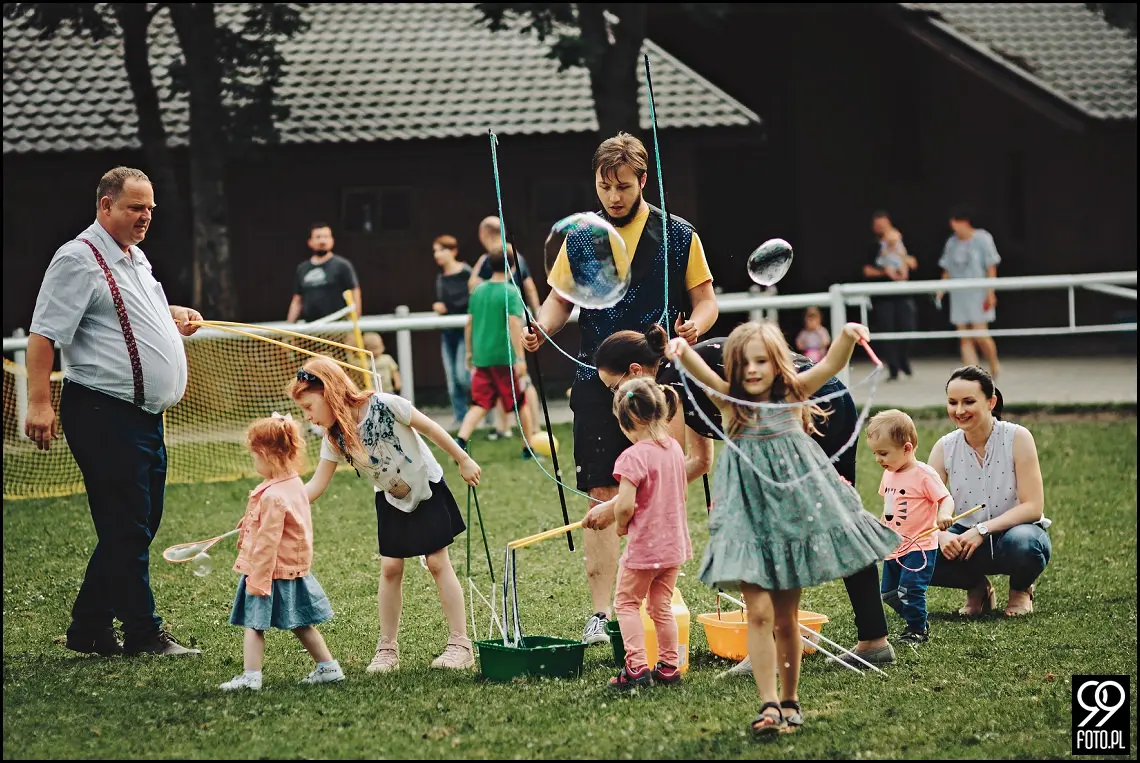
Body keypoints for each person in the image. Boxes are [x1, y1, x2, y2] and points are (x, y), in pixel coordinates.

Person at [592, 325, 899, 671]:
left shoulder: (668, 384)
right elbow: (698, 461)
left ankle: (772, 641)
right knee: (840, 519)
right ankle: (870, 639)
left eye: (615, 388)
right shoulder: (680, 381)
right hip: (829, 401)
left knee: (787, 527)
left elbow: (664, 465)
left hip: (808, 409)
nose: (617, 397)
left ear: (635, 372)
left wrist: (615, 506)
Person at [522, 131, 719, 645]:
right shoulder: (581, 238)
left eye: (623, 187)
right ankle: (601, 612)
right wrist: (540, 328)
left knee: (664, 485)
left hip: (657, 380)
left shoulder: (679, 235)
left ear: (643, 181)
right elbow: (558, 302)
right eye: (604, 185)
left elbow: (706, 301)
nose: (613, 196)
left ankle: (665, 597)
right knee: (601, 494)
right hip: (593, 377)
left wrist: (695, 325)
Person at [664, 321, 899, 736]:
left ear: (778, 365)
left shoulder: (793, 396)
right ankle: (769, 705)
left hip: (789, 518)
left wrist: (846, 337)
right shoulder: (729, 403)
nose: (753, 370)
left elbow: (829, 365)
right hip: (748, 521)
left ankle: (790, 701)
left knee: (786, 618)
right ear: (733, 367)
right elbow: (698, 370)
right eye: (744, 362)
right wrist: (680, 349)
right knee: (758, 612)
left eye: (762, 361)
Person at [26, 166, 202, 657]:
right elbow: (44, 335)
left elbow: (133, 312)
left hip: (144, 416)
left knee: (139, 524)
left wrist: (175, 316)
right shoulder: (77, 260)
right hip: (104, 412)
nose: (145, 217)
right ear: (105, 206)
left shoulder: (135, 258)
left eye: (149, 208)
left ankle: (88, 628)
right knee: (127, 525)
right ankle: (144, 633)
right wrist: (41, 403)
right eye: (134, 208)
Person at [289, 357, 483, 672]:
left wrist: (463, 459)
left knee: (437, 562)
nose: (308, 417)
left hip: (427, 487)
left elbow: (431, 428)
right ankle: (387, 649)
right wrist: (281, 501)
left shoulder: (384, 404)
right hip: (390, 498)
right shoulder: (335, 438)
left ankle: (460, 644)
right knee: (391, 568)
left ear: (329, 392)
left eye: (309, 406)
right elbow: (316, 485)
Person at [220, 414, 343, 691]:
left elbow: (267, 544)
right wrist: (250, 519)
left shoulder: (273, 495)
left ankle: (251, 677)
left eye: (254, 456)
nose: (254, 462)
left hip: (269, 572)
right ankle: (328, 667)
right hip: (291, 568)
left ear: (266, 455)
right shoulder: (294, 483)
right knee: (301, 622)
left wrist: (257, 580)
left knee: (253, 624)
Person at [584, 378, 692, 691]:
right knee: (660, 607)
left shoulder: (632, 458)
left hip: (645, 549)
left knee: (627, 604)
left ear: (628, 420)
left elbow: (626, 504)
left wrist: (618, 526)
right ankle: (670, 666)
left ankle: (636, 667)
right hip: (673, 547)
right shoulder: (673, 448)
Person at [927, 365, 1050, 617]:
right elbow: (924, 507)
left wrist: (982, 530)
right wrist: (941, 538)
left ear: (991, 401)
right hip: (964, 538)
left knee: (1024, 545)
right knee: (914, 554)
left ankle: (1020, 589)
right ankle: (978, 588)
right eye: (952, 402)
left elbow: (1033, 506)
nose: (959, 411)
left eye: (969, 401)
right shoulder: (944, 447)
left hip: (1013, 533)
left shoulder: (1018, 437)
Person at [867, 409, 955, 645]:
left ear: (907, 448)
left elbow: (945, 498)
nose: (878, 459)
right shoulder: (889, 474)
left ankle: (916, 630)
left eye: (883, 453)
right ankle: (919, 618)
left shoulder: (924, 474)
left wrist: (944, 514)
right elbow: (889, 508)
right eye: (875, 453)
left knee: (910, 589)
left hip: (920, 546)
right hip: (894, 546)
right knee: (888, 593)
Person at [454, 250, 535, 459]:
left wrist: (469, 352)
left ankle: (460, 441)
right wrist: (520, 358)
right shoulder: (511, 292)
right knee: (520, 403)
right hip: (504, 358)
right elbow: (514, 324)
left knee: (480, 403)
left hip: (482, 357)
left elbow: (469, 324)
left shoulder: (478, 291)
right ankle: (529, 449)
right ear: (513, 267)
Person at [470, 216, 541, 440]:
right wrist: (536, 313)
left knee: (519, 377)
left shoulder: (490, 259)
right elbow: (529, 285)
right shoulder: (515, 256)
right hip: (515, 322)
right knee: (507, 380)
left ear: (484, 234)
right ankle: (507, 427)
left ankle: (531, 427)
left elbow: (473, 285)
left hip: (507, 325)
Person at [936, 206, 1002, 378]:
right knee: (964, 336)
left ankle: (994, 365)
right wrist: (941, 289)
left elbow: (991, 267)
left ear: (964, 222)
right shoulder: (952, 242)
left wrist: (990, 291)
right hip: (959, 294)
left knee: (980, 333)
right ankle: (974, 373)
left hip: (978, 292)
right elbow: (947, 269)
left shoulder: (983, 238)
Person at [862, 210, 918, 381]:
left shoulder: (902, 243)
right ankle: (893, 368)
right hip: (883, 296)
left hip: (903, 292)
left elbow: (914, 263)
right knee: (887, 330)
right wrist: (885, 272)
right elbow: (867, 270)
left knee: (908, 326)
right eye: (878, 225)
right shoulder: (873, 246)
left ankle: (903, 359)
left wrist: (899, 256)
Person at [431, 235, 472, 427]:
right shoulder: (440, 277)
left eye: (441, 250)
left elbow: (471, 300)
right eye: (435, 251)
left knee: (463, 376)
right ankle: (461, 417)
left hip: (466, 330)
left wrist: (448, 307)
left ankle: (481, 408)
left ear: (453, 251)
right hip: (448, 333)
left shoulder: (467, 273)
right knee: (451, 379)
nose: (437, 255)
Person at [287, 222, 361, 324]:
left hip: (339, 327)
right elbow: (297, 301)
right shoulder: (302, 269)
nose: (322, 241)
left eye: (326, 237)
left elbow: (355, 293)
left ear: (332, 240)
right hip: (312, 329)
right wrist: (289, 327)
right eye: (318, 237)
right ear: (310, 242)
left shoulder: (342, 265)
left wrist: (354, 322)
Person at [362, 332, 401, 396]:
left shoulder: (387, 358)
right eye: (372, 348)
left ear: (382, 346)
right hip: (373, 391)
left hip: (387, 390)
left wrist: (397, 382)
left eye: (377, 348)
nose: (376, 351)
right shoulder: (365, 362)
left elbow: (394, 371)